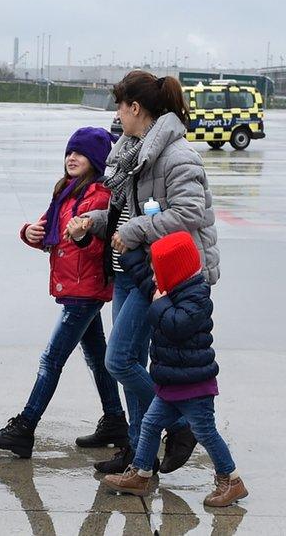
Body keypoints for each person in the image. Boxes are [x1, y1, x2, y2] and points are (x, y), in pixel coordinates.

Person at [68, 71, 219, 475]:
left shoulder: (176, 155)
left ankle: (180, 420)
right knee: (132, 359)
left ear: (135, 108)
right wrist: (91, 221)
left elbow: (188, 213)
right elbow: (123, 214)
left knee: (118, 361)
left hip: (160, 274)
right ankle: (139, 452)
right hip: (128, 270)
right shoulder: (129, 152)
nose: (117, 113)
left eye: (120, 105)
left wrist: (132, 230)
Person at [0, 127, 127, 458]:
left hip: (85, 290)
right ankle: (116, 420)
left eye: (81, 153)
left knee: (51, 360)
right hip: (73, 286)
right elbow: (47, 233)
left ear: (97, 159)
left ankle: (25, 427)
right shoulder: (67, 192)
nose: (71, 158)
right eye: (69, 152)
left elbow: (99, 249)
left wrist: (83, 236)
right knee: (97, 358)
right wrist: (28, 232)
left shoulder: (100, 197)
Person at [104, 232, 247, 507]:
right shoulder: (171, 289)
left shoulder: (196, 298)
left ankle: (231, 479)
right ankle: (141, 473)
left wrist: (159, 302)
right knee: (150, 423)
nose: (154, 278)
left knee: (205, 432)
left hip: (194, 386)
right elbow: (147, 281)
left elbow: (176, 325)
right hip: (170, 384)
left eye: (158, 272)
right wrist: (129, 254)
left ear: (174, 273)